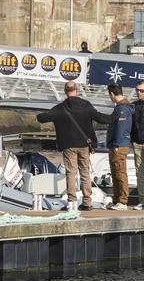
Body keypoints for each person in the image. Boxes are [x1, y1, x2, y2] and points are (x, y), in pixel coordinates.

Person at [37, 81, 111, 210]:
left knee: (70, 173)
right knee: (85, 173)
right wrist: (115, 118)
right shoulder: (86, 105)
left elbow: (42, 118)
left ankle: (71, 202)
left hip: (68, 145)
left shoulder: (60, 108)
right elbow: (100, 118)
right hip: (84, 144)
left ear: (65, 91)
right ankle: (87, 202)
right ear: (76, 90)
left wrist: (40, 115)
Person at [103, 83, 134, 209]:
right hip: (116, 144)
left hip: (119, 145)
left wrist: (116, 144)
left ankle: (123, 201)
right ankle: (116, 200)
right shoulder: (120, 108)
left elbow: (121, 128)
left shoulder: (123, 109)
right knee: (115, 173)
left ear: (111, 94)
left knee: (120, 172)